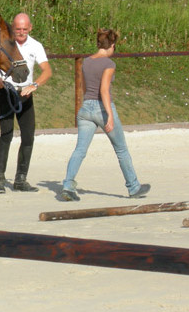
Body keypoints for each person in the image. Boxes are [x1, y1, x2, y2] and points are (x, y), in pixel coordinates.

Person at [60, 29, 150, 201]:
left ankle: (68, 186)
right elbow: (104, 91)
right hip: (102, 108)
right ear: (112, 45)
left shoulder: (86, 61)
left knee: (80, 150)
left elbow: (85, 87)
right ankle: (133, 187)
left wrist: (88, 104)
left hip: (86, 107)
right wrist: (109, 115)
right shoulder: (109, 64)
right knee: (121, 149)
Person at [0, 12, 52, 194]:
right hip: (6, 91)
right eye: (18, 29)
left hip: (25, 93)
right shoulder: (3, 43)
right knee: (6, 135)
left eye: (24, 29)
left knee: (28, 136)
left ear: (30, 28)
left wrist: (35, 85)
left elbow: (47, 71)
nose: (21, 32)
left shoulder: (35, 46)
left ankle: (21, 179)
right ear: (13, 28)